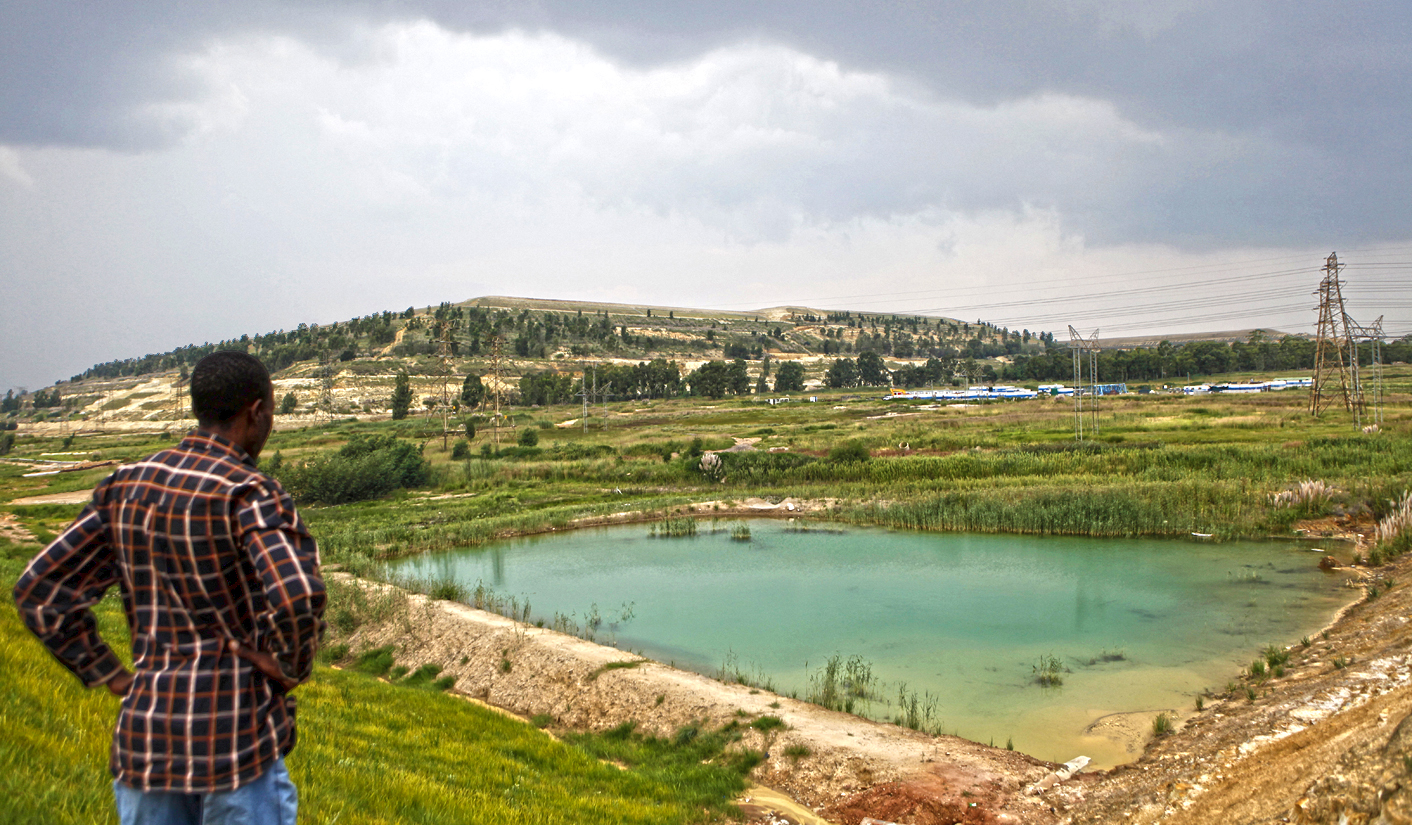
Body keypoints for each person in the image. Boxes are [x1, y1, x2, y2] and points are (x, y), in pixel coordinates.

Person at [14, 351, 325, 825]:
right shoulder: (249, 492)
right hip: (236, 744)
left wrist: (109, 673)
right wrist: (288, 666)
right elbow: (297, 594)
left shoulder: (124, 486)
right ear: (257, 412)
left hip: (146, 745)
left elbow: (39, 588)